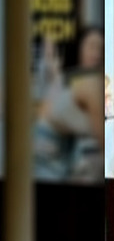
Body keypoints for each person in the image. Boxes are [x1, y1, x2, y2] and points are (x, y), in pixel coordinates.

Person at [33, 27, 105, 182]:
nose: (97, 54)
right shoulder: (86, 84)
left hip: (60, 159)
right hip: (45, 161)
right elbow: (105, 142)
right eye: (92, 46)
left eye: (101, 48)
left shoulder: (84, 81)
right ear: (79, 49)